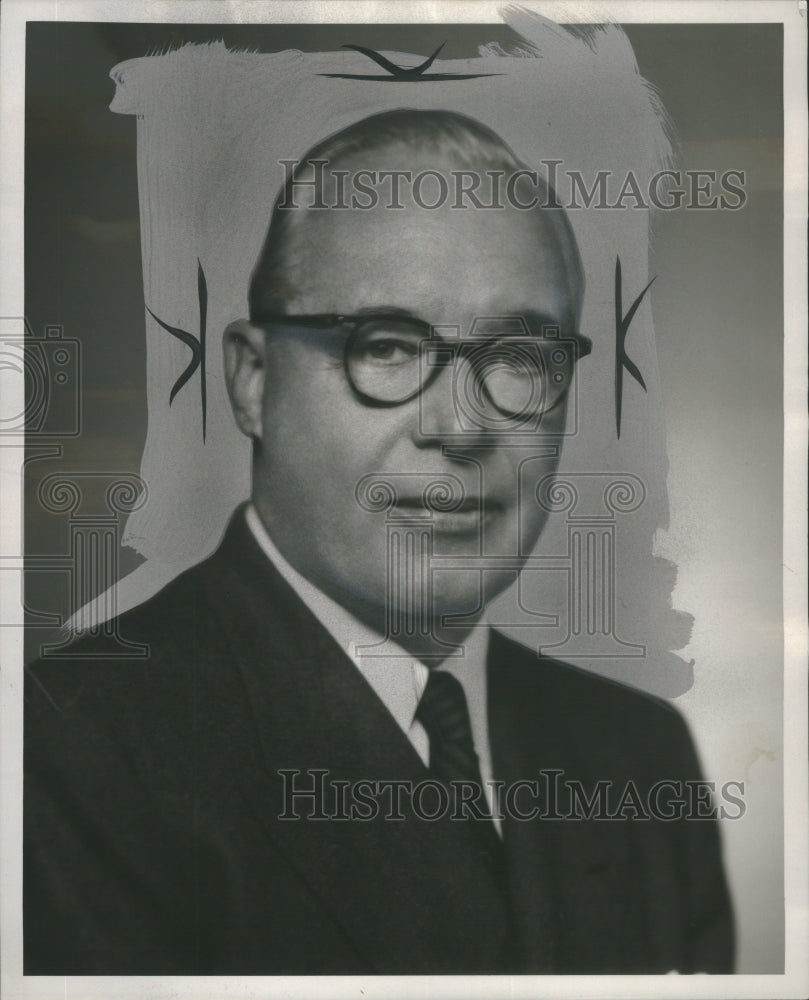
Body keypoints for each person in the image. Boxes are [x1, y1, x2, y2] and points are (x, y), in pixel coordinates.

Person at [24, 109, 734, 975]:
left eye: (515, 355)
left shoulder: (635, 757)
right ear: (252, 382)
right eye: (388, 346)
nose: (460, 427)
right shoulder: (64, 751)